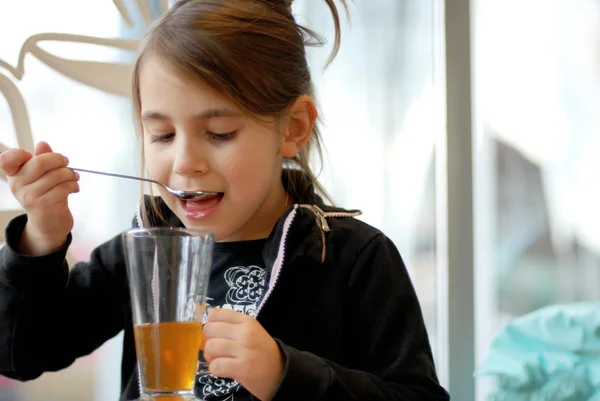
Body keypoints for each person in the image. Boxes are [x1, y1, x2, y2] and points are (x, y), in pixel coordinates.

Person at [0, 0, 450, 400]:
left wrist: (286, 376)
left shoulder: (356, 259)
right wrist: (41, 236)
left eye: (219, 134)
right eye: (161, 134)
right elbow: (18, 354)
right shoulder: (145, 252)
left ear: (293, 127)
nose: (185, 162)